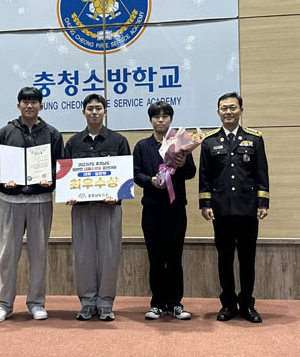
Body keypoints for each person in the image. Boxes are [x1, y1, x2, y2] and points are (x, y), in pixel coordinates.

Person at [0, 86, 64, 323]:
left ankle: (36, 303)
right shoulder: (5, 132)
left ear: (41, 105)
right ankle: (3, 304)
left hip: (40, 200)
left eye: (34, 102)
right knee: (8, 254)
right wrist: (3, 179)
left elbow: (61, 165)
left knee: (39, 254)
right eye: (25, 102)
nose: (29, 105)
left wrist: (51, 178)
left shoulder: (52, 133)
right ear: (18, 105)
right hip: (11, 200)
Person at [199, 92, 269, 323]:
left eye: (232, 107)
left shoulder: (254, 139)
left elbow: (261, 173)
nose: (228, 112)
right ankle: (228, 304)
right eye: (224, 108)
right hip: (221, 210)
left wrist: (262, 202)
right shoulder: (209, 141)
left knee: (247, 259)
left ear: (241, 110)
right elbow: (205, 176)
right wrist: (205, 204)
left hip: (247, 209)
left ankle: (247, 304)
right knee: (225, 259)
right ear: (218, 112)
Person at [64, 94, 130, 321]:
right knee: (83, 255)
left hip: (109, 208)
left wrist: (118, 195)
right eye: (90, 108)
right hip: (81, 208)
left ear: (105, 112)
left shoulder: (118, 141)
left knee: (110, 254)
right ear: (83, 112)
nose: (94, 112)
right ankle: (87, 302)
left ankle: (105, 303)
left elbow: (126, 175)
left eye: (98, 108)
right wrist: (69, 193)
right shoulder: (73, 143)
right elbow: (65, 174)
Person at [133, 101, 196, 320]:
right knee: (156, 258)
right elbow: (136, 174)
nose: (160, 120)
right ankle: (157, 303)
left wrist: (182, 163)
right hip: (152, 210)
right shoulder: (142, 146)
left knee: (175, 257)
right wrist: (150, 181)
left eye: (165, 116)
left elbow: (191, 172)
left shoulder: (182, 143)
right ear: (150, 120)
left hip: (176, 209)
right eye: (156, 116)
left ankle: (176, 303)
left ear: (171, 119)